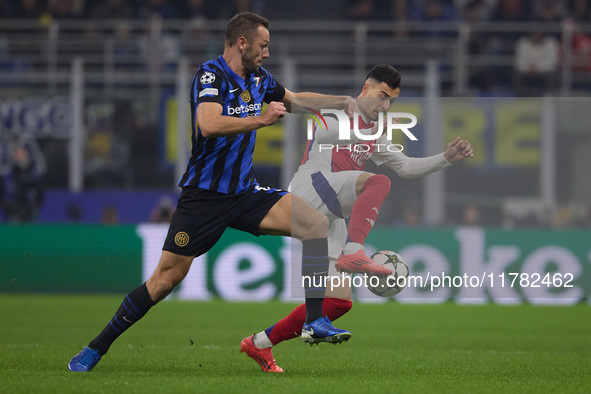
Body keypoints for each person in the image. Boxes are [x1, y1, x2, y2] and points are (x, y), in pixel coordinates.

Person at [68, 12, 380, 373]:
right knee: (165, 280)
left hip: (244, 193)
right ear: (242, 43)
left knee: (315, 225)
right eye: (263, 46)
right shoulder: (210, 75)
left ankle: (314, 320)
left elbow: (294, 100)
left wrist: (344, 102)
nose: (266, 53)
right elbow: (208, 123)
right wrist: (260, 120)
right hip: (204, 197)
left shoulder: (260, 79)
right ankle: (96, 347)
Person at [241, 64, 474, 372]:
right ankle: (355, 251)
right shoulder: (338, 112)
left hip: (331, 215)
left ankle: (259, 343)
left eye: (392, 101)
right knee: (379, 182)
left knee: (338, 302)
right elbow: (322, 130)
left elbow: (405, 166)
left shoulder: (374, 131)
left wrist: (446, 158)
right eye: (382, 96)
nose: (386, 106)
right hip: (311, 187)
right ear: (366, 89)